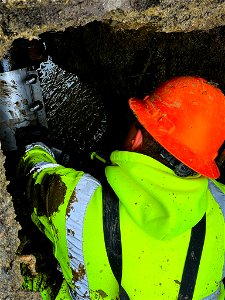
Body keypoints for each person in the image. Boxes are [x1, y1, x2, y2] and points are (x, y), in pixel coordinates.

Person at [18, 76, 225, 299]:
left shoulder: (77, 202)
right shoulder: (221, 202)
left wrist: (33, 144)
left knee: (26, 263)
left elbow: (33, 173)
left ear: (136, 138)